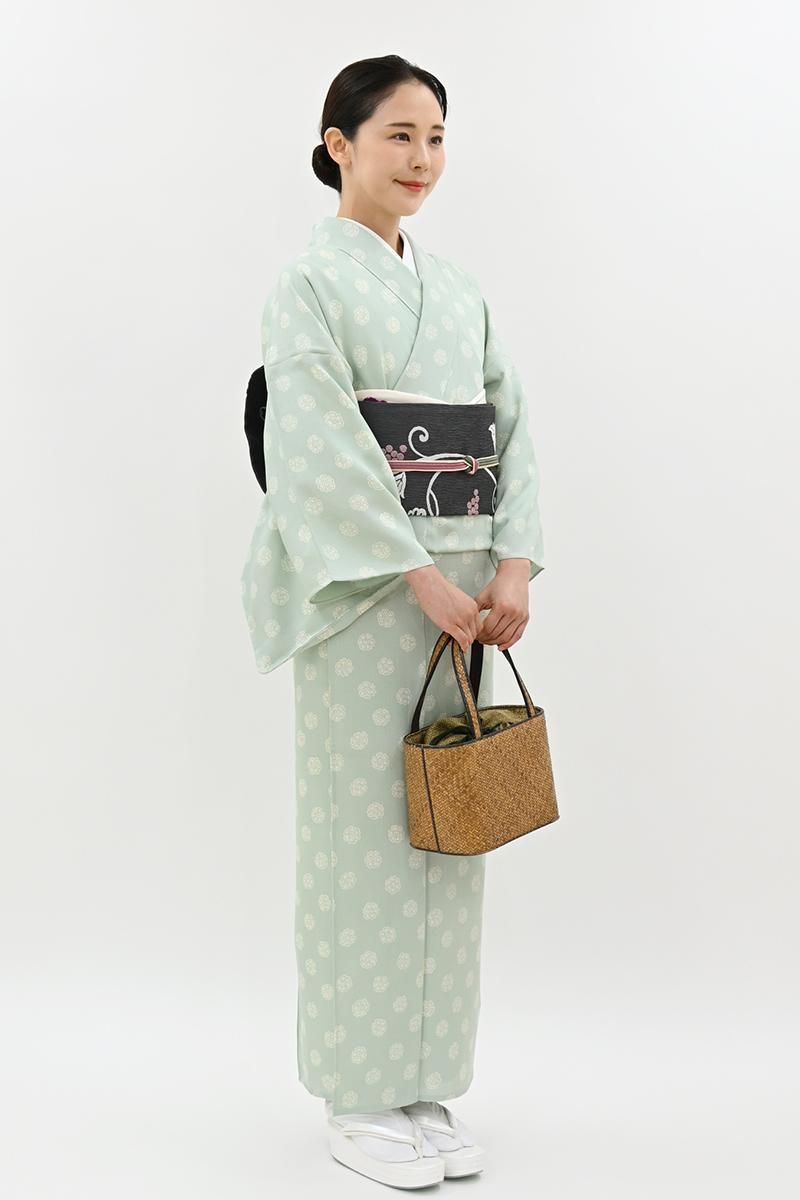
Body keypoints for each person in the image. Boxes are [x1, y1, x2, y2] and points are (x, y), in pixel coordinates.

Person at [240, 53, 545, 1188]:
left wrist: (512, 565)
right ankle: (355, 1093)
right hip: (369, 591)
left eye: (435, 138)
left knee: (451, 821)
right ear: (339, 146)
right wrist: (421, 577)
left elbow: (512, 423)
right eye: (397, 136)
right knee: (364, 832)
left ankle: (422, 1081)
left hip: (468, 595)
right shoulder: (308, 285)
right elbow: (313, 446)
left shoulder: (458, 289)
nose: (421, 159)